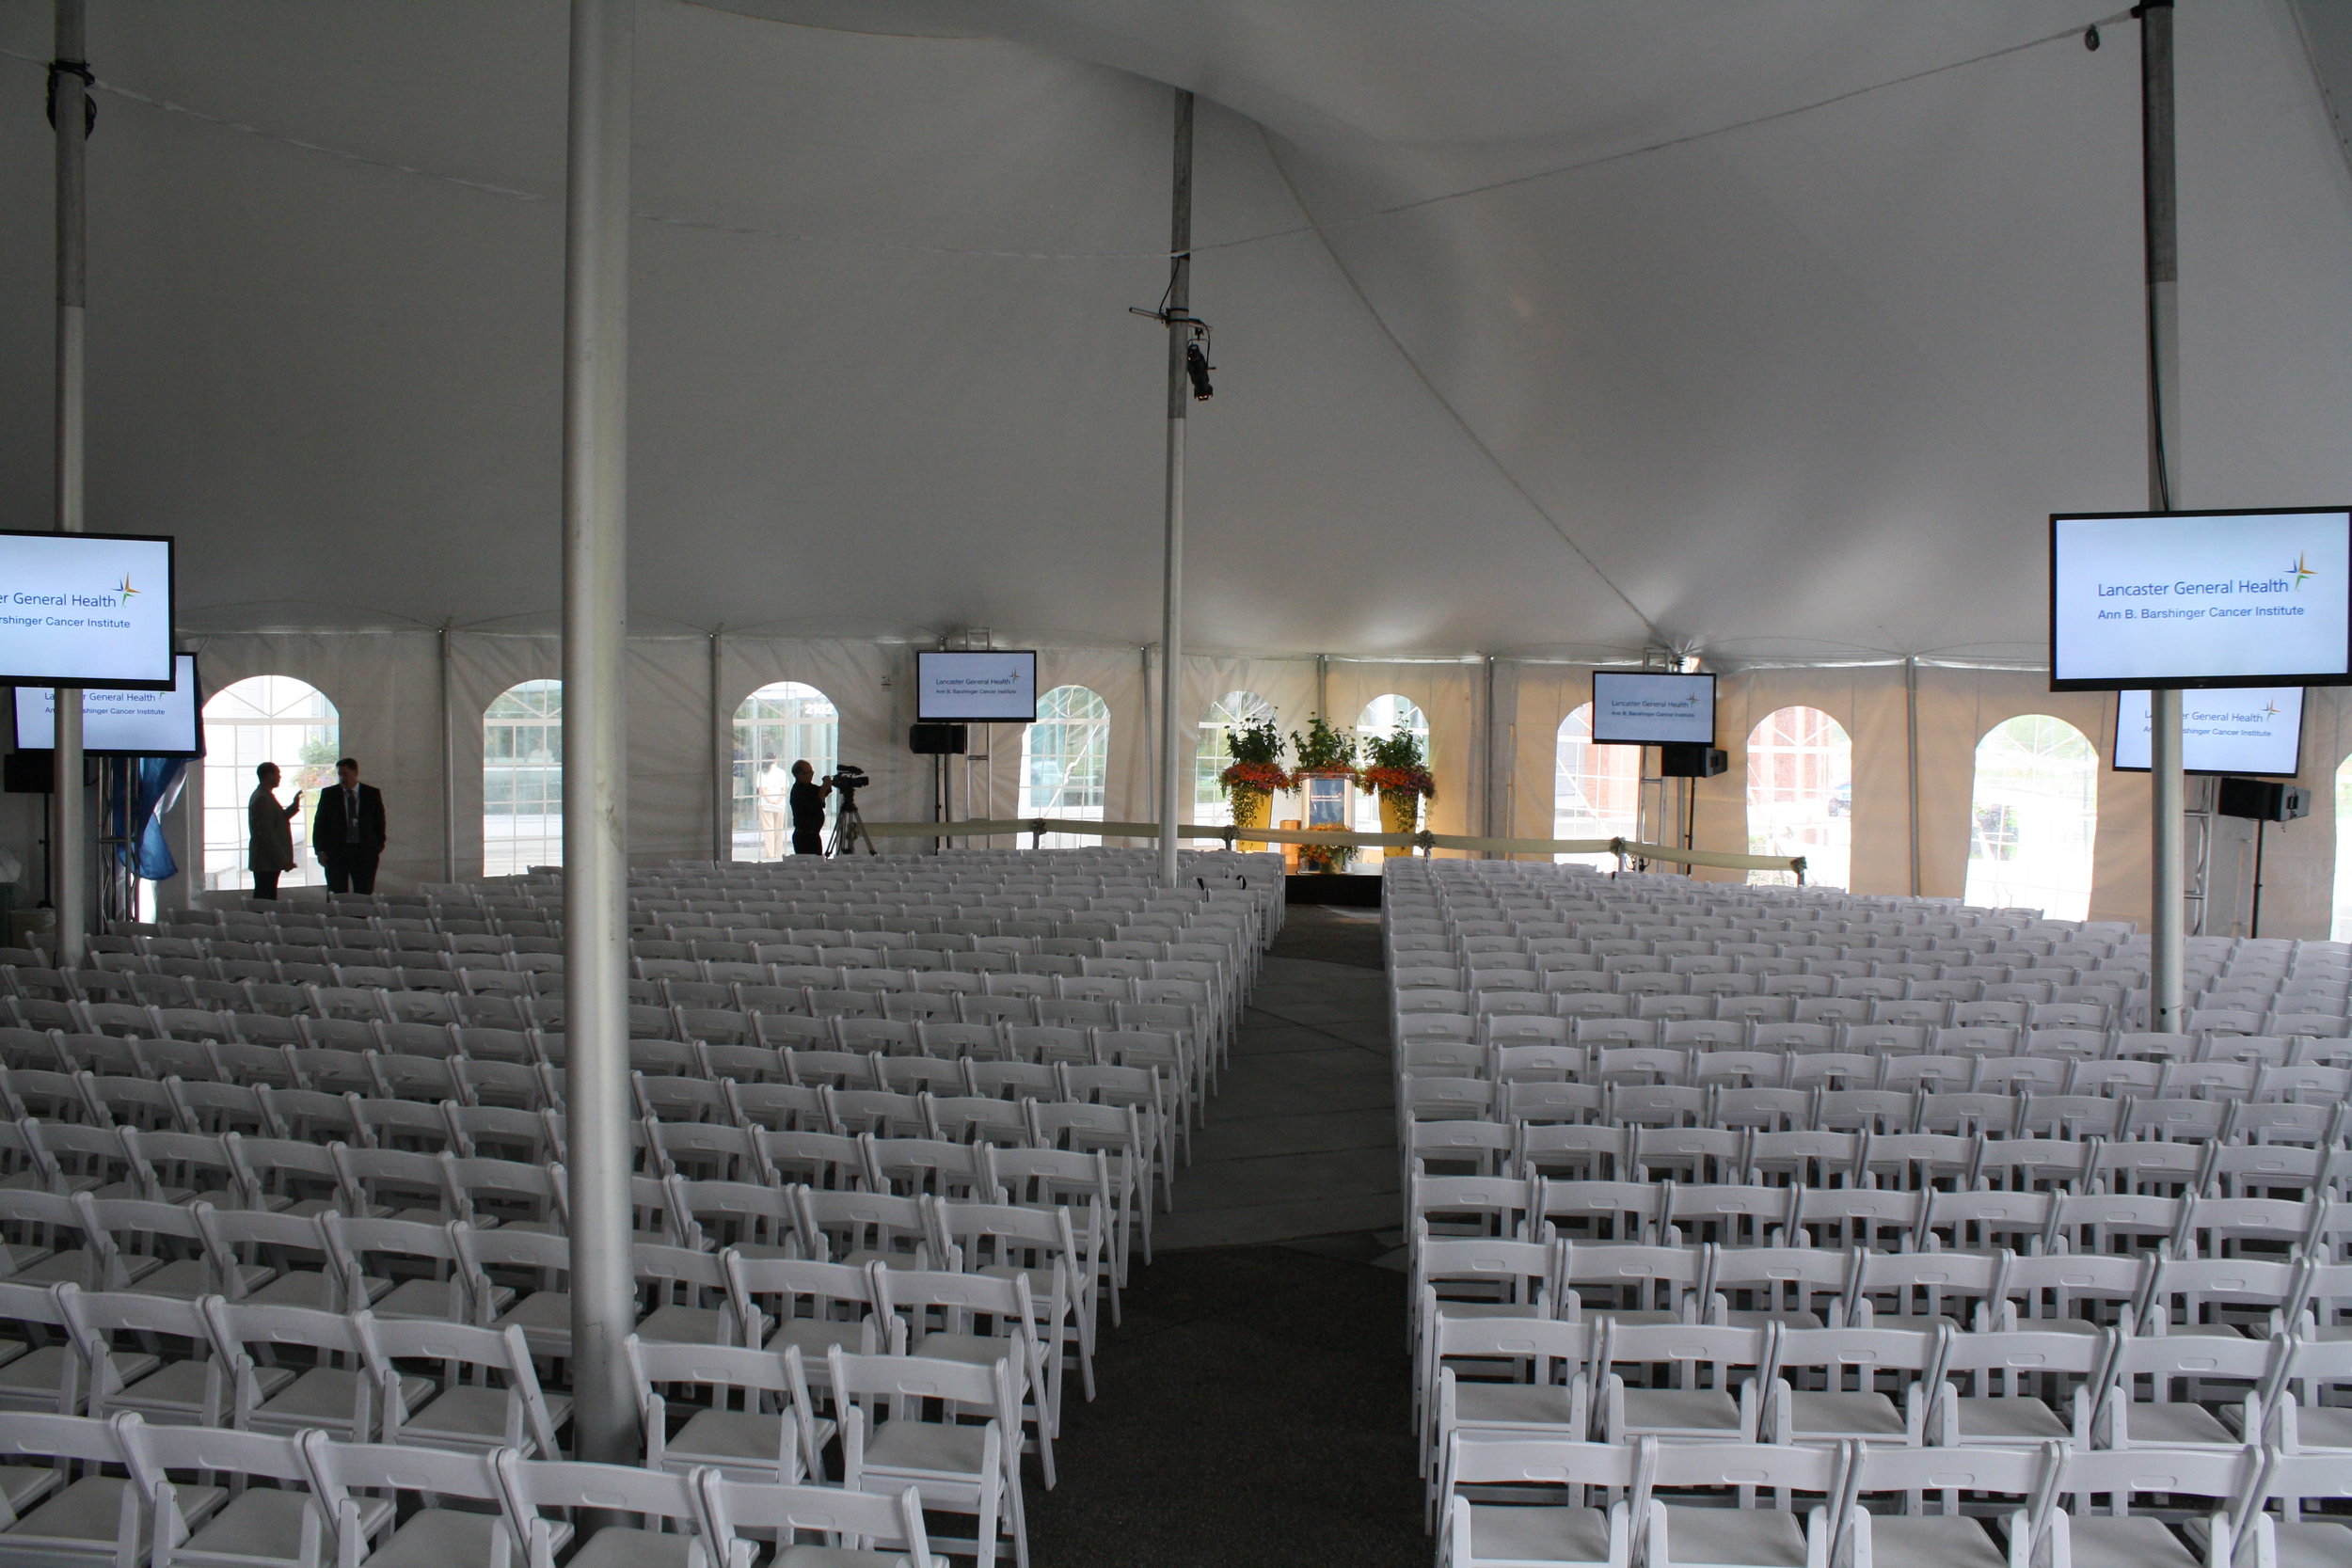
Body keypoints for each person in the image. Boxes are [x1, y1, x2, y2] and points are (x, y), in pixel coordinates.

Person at [311, 756, 388, 894]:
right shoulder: (329, 794)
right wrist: (320, 849)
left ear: (355, 773)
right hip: (337, 852)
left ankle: (361, 915)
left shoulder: (371, 794)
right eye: (339, 774)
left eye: (345, 774)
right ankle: (338, 915)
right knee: (336, 892)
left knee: (364, 891)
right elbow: (320, 824)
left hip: (364, 851)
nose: (342, 778)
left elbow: (379, 822)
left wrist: (377, 845)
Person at [246, 762, 298, 899]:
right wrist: (283, 859)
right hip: (266, 861)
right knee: (266, 898)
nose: (280, 777)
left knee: (266, 895)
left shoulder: (264, 795)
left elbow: (276, 821)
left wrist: (293, 807)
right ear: (268, 775)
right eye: (277, 774)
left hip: (267, 860)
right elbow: (267, 834)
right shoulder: (263, 798)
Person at [788, 760, 832, 856]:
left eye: (812, 772)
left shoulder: (809, 787)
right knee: (809, 865)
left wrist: (827, 784)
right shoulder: (798, 790)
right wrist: (824, 788)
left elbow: (822, 792)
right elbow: (817, 802)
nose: (811, 775)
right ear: (799, 775)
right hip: (804, 837)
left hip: (814, 835)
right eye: (808, 773)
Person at [756, 759, 792, 859]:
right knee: (778, 829)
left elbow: (761, 789)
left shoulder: (761, 773)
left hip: (765, 803)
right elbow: (784, 789)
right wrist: (778, 800)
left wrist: (769, 800)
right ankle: (777, 852)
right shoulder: (781, 773)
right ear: (775, 760)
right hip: (779, 803)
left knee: (768, 829)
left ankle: (770, 853)